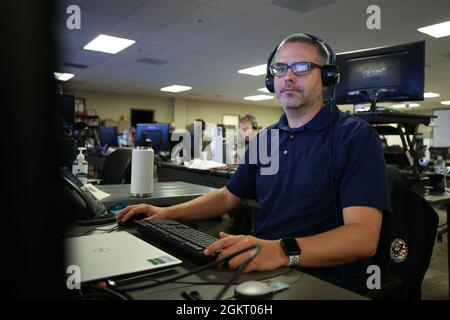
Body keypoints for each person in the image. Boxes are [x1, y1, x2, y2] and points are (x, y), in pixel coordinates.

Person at [117, 33, 391, 291]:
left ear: (328, 77)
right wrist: (165, 213)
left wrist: (281, 251)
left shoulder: (355, 137)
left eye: (302, 67)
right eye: (280, 69)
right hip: (261, 263)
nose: (288, 76)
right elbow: (228, 197)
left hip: (323, 278)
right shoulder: (267, 138)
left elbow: (363, 238)